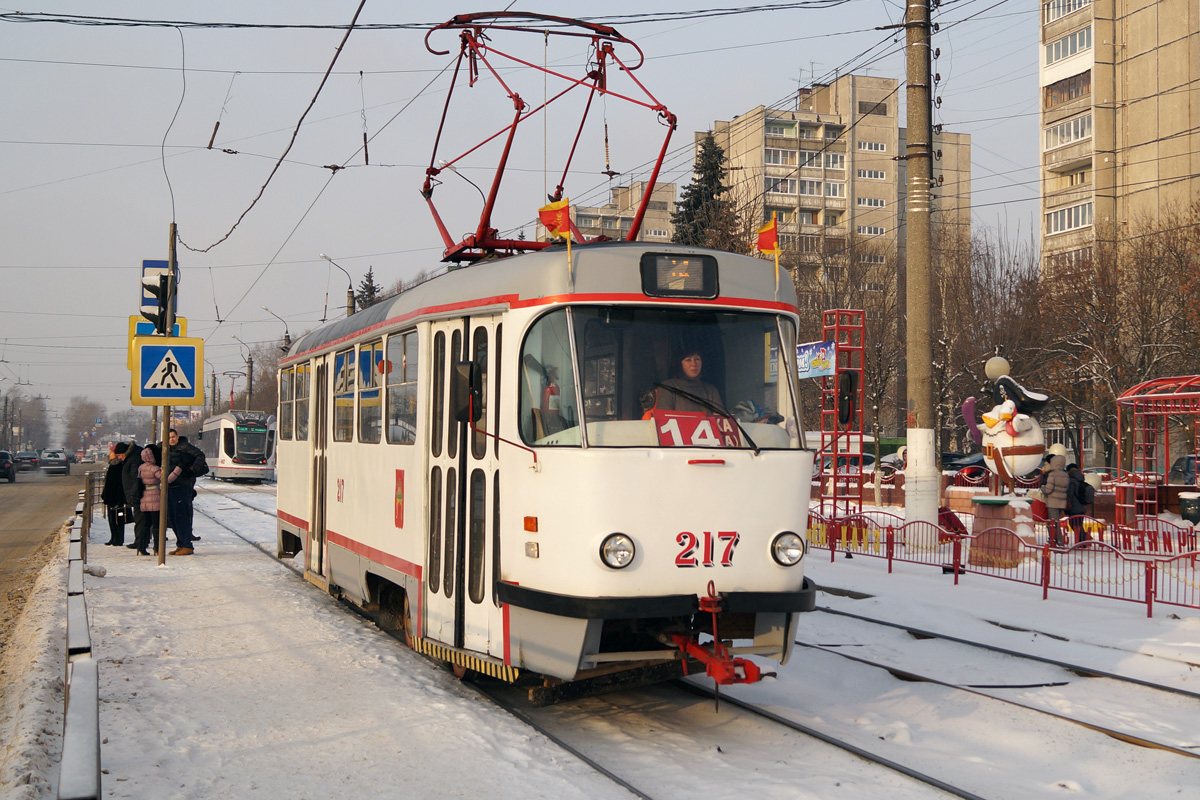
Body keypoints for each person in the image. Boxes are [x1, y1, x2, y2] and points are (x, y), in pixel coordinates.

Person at [132, 444, 180, 556]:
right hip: (155, 497)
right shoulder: (155, 469)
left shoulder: (141, 468)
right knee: (157, 524)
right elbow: (166, 480)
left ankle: (141, 546)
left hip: (144, 497)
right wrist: (177, 470)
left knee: (146, 523)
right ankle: (157, 548)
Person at [165, 428, 202, 555]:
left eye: (173, 436)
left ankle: (187, 544)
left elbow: (200, 456)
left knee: (181, 516)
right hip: (169, 485)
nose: (171, 439)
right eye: (169, 437)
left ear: (177, 436)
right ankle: (180, 544)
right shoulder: (164, 448)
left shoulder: (184, 447)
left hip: (182, 485)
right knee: (173, 517)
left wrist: (190, 470)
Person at [654, 347, 723, 414]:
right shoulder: (667, 387)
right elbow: (664, 420)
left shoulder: (710, 390)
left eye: (697, 359)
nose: (694, 364)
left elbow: (720, 421)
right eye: (688, 360)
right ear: (679, 363)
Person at [101, 443, 132, 546]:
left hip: (117, 496)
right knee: (111, 519)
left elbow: (119, 482)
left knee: (118, 519)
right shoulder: (112, 464)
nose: (109, 454)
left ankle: (118, 539)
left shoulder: (119, 465)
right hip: (110, 496)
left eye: (111, 452)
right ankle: (113, 537)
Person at [1043, 454, 1070, 547]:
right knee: (1056, 522)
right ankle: (1055, 540)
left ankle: (1058, 542)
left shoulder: (1052, 474)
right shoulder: (1065, 475)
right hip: (1062, 502)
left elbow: (1048, 490)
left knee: (1053, 524)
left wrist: (1043, 489)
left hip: (1052, 502)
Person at [1066, 463, 1089, 543]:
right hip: (1082, 505)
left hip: (1074, 506)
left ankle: (1084, 540)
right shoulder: (1081, 479)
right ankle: (1084, 540)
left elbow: (1070, 494)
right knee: (1078, 524)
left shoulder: (1071, 481)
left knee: (1074, 524)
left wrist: (1068, 504)